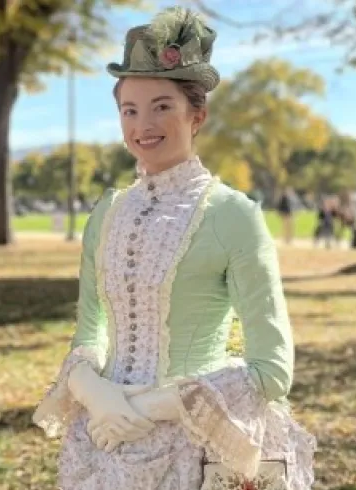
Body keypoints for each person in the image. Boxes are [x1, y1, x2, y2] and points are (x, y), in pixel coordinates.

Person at [31, 8, 316, 489]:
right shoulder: (106, 213)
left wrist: (152, 405)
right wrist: (95, 393)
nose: (143, 124)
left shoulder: (233, 215)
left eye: (162, 106)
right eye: (130, 110)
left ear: (196, 115)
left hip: (191, 445)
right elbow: (88, 331)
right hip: (102, 439)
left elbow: (272, 370)